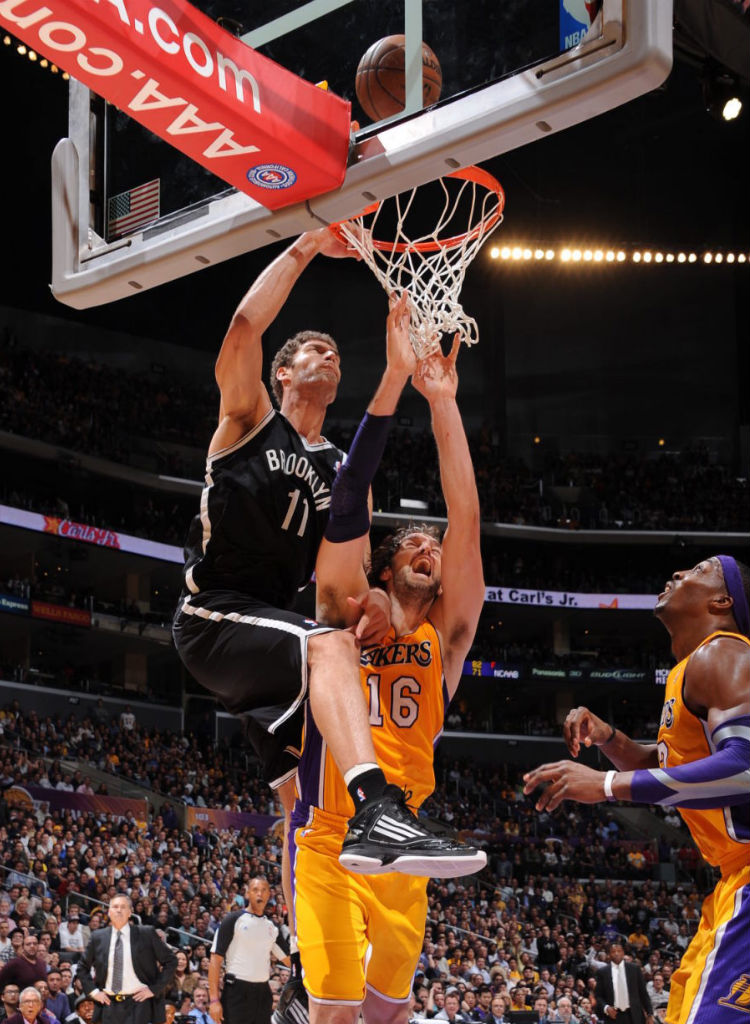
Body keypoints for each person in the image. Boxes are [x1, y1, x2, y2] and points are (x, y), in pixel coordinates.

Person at [172, 230, 482, 884]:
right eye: (315, 348)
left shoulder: (343, 469)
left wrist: (369, 597)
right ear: (283, 371)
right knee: (333, 649)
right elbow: (243, 326)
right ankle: (378, 808)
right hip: (214, 615)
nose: (330, 355)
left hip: (273, 633)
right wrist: (309, 242)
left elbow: (348, 564)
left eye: (337, 351)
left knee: (297, 796)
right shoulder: (249, 415)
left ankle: (297, 960)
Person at [288, 330, 487, 1023]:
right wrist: (395, 377)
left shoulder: (447, 640)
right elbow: (347, 508)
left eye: (435, 548)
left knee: (388, 1015)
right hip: (331, 837)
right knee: (336, 1014)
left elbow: (466, 516)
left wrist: (443, 402)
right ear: (384, 567)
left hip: (409, 846)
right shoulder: (345, 611)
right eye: (414, 543)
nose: (431, 547)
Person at [523, 555, 750, 1024]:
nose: (678, 574)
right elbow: (671, 763)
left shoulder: (725, 652)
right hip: (731, 881)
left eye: (699, 570)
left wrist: (605, 785)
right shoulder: (692, 668)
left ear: (723, 600)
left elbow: (745, 770)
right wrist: (610, 740)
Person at [76, 894, 176, 1024]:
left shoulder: (146, 933)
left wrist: (154, 989)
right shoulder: (98, 937)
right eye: (115, 907)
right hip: (108, 1004)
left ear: (130, 912)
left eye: (123, 907)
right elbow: (82, 967)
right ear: (109, 911)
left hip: (139, 1004)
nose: (118, 910)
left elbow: (171, 961)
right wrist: (94, 992)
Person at [206, 877, 288, 1024]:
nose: (260, 894)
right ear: (247, 893)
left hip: (263, 993)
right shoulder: (232, 920)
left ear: (269, 894)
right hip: (236, 992)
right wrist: (213, 1000)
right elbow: (215, 960)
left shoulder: (272, 927)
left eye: (264, 890)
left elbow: (289, 960)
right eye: (255, 890)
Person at [592, 944, 652, 1024]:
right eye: (613, 952)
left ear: (623, 953)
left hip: (634, 1015)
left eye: (619, 951)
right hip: (614, 1016)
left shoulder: (634, 969)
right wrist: (606, 1008)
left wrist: (650, 1013)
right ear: (609, 955)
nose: (616, 953)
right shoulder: (603, 972)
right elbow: (598, 996)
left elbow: (643, 993)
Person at [0, 935, 46, 1003]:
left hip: (39, 1004)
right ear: (23, 947)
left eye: (35, 943)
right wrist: (5, 1006)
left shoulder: (42, 963)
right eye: (28, 944)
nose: (32, 946)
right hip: (20, 1006)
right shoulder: (14, 964)